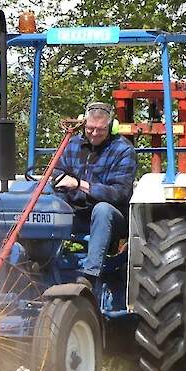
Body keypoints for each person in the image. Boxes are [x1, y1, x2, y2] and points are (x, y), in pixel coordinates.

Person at [52, 102, 137, 290]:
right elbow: (57, 173)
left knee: (102, 210)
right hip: (75, 212)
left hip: (111, 217)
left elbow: (119, 193)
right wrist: (62, 183)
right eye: (90, 128)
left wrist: (81, 185)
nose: (94, 133)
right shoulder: (71, 145)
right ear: (84, 125)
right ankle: (40, 263)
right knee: (48, 204)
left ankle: (89, 277)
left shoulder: (123, 150)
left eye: (100, 129)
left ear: (111, 127)